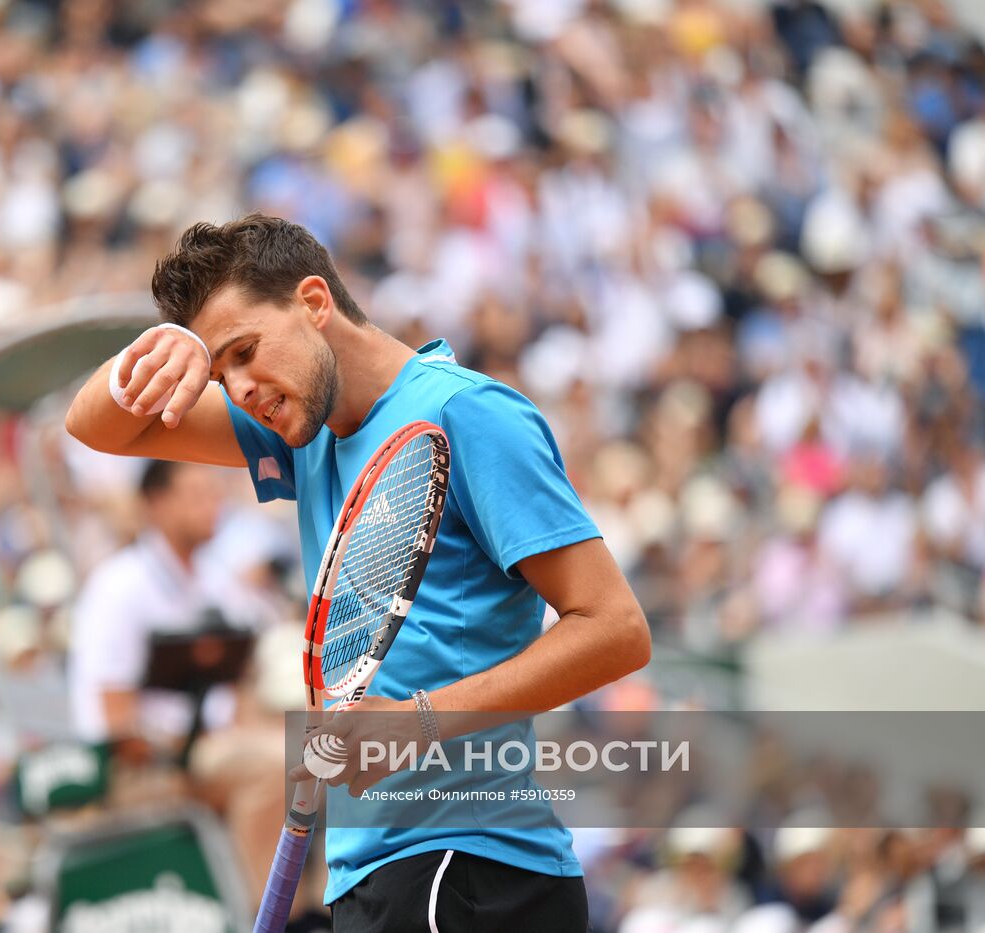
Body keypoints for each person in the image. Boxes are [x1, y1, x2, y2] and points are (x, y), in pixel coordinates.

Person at [66, 213, 650, 930]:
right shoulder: (296, 431)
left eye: (245, 350)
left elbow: (616, 627)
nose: (240, 387)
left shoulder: (468, 412)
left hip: (466, 863)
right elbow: (95, 425)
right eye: (222, 372)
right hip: (373, 867)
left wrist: (420, 721)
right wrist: (169, 347)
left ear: (315, 302)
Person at [68, 459, 263, 757]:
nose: (213, 505)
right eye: (197, 495)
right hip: (145, 765)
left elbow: (242, 685)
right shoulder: (118, 584)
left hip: (213, 748)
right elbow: (114, 716)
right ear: (156, 502)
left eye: (215, 493)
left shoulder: (216, 577)